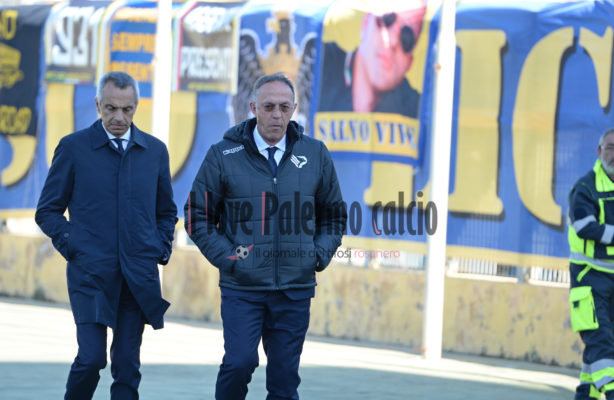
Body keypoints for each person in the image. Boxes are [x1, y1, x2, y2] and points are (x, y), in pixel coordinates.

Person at [185, 72, 347, 399]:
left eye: (284, 107)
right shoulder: (223, 155)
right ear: (253, 108)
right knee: (239, 363)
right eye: (269, 106)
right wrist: (231, 259)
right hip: (242, 288)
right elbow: (197, 216)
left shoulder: (315, 154)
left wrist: (315, 256)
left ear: (294, 109)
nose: (277, 115)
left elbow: (334, 216)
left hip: (295, 288)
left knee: (285, 379)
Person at [35, 71, 177, 400]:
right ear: (98, 104)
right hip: (90, 275)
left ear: (137, 106)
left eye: (127, 109)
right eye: (111, 108)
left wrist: (159, 248)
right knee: (91, 359)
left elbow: (166, 212)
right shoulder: (73, 148)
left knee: (127, 366)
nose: (119, 117)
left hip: (137, 275)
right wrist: (75, 245)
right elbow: (47, 211)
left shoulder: (155, 151)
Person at [318, 0, 426, 118]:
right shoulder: (319, 63)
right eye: (387, 19)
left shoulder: (420, 110)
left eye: (406, 37)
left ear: (409, 61)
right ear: (365, 24)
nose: (393, 41)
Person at [568, 128, 614, 400]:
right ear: (599, 152)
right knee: (601, 342)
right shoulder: (585, 187)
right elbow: (585, 227)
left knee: (603, 345)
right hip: (589, 278)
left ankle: (587, 394)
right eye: (610, 147)